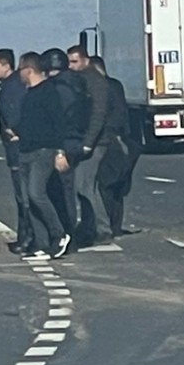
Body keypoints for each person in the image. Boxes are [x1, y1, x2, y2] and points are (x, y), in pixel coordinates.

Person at [15, 52, 71, 259]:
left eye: (21, 69)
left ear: (28, 70)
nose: (18, 74)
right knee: (28, 199)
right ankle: (41, 243)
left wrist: (60, 152)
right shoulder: (29, 94)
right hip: (26, 151)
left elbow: (59, 124)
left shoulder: (49, 92)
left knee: (36, 193)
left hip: (43, 150)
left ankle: (59, 235)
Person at [68, 44, 113, 246]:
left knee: (84, 186)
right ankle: (90, 226)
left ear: (85, 60)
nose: (71, 66)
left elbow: (98, 114)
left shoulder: (94, 81)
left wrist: (88, 143)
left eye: (74, 61)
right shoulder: (83, 79)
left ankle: (101, 228)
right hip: (89, 140)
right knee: (85, 186)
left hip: (95, 142)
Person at [0, 48, 33, 254]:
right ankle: (27, 236)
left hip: (18, 149)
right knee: (24, 195)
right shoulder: (13, 86)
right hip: (17, 148)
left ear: (7, 65)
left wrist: (14, 131)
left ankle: (27, 237)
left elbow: (14, 116)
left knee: (24, 195)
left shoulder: (12, 89)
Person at [91, 55, 137, 238]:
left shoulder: (102, 88)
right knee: (117, 186)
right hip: (124, 140)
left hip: (110, 141)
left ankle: (107, 225)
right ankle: (115, 225)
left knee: (105, 185)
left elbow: (111, 115)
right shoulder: (116, 85)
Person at [41, 47, 83, 238]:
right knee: (70, 189)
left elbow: (56, 120)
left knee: (59, 190)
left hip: (62, 143)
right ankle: (71, 230)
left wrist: (58, 150)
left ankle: (65, 231)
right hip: (77, 139)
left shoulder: (54, 89)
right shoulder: (78, 84)